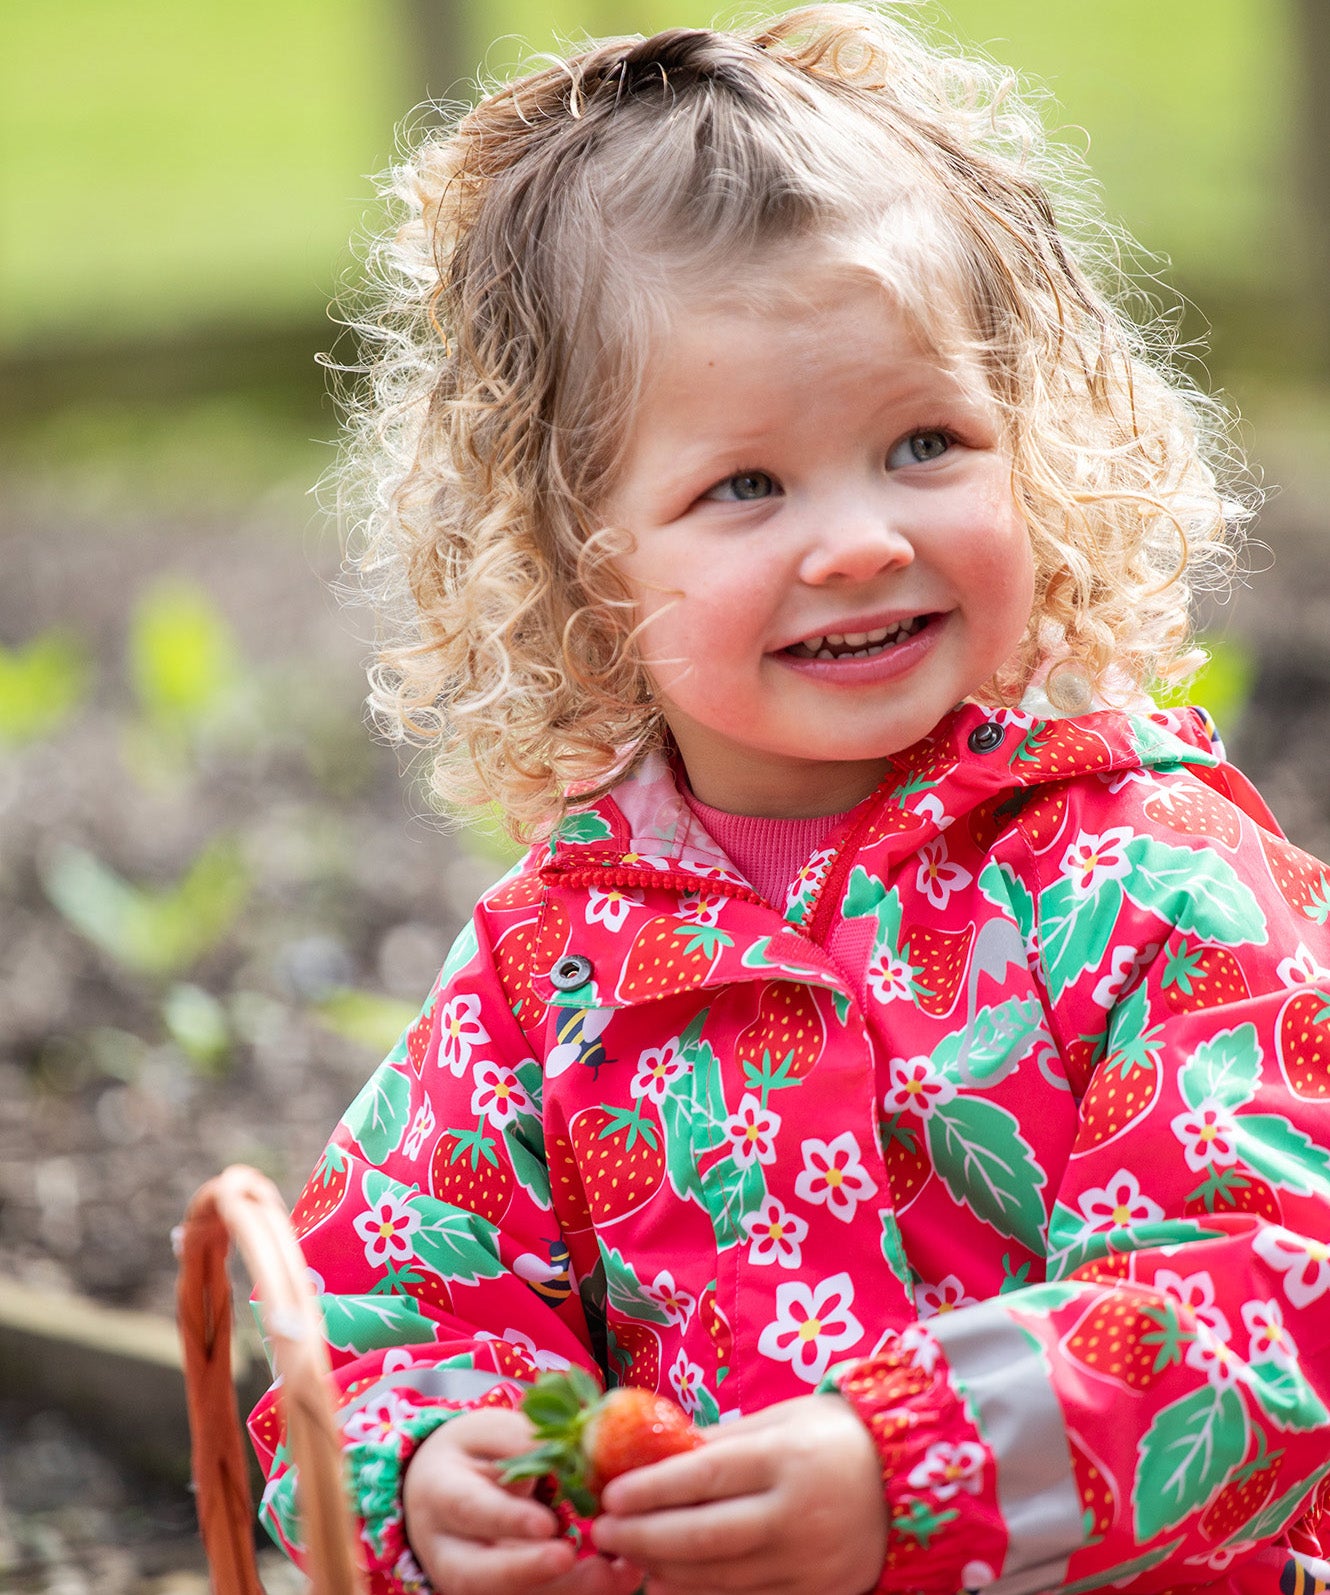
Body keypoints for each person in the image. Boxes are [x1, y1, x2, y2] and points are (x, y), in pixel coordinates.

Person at [249, 7, 1330, 1594]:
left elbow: (1273, 1279)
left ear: (1030, 450)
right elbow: (374, 1303)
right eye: (744, 486)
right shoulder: (554, 962)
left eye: (924, 443)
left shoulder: (1148, 878)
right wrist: (430, 1470)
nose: (856, 540)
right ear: (576, 566)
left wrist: (907, 1472)